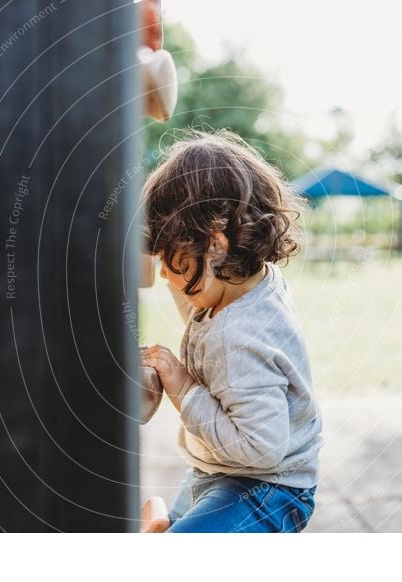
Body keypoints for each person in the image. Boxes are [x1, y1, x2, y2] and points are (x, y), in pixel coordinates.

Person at [140, 130, 324, 533]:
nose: (165, 274)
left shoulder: (241, 338)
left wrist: (183, 385)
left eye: (172, 261)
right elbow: (195, 295)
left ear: (216, 244)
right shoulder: (245, 283)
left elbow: (261, 450)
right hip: (218, 470)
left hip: (266, 487)